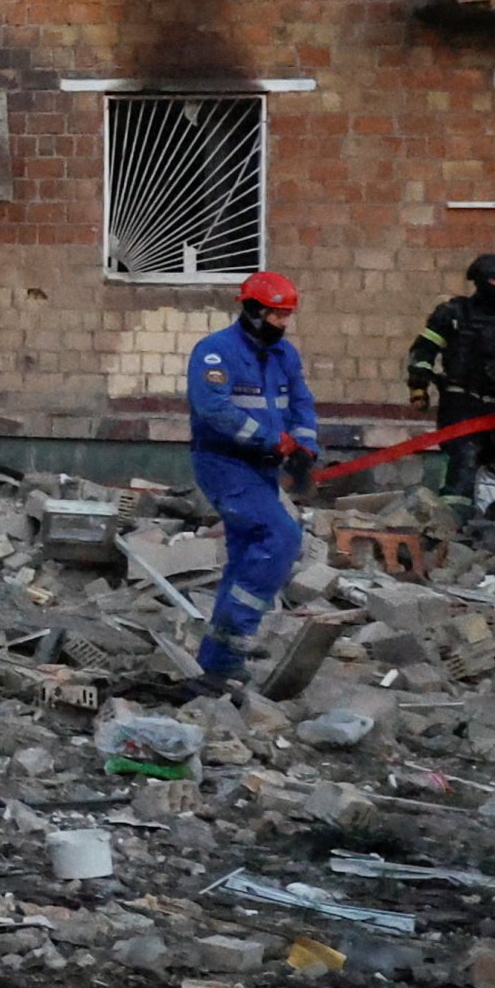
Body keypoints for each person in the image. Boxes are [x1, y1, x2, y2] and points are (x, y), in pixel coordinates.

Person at [184, 270, 319, 688]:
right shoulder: (214, 353)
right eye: (276, 315)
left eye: (287, 316)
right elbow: (214, 409)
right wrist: (271, 440)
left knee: (247, 554)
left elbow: (301, 403)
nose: (283, 323)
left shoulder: (285, 356)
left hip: (264, 468)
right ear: (252, 310)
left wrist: (305, 448)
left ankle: (218, 661)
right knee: (281, 537)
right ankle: (235, 636)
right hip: (224, 465)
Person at [406, 250, 495, 503]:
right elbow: (424, 351)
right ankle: (452, 521)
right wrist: (418, 387)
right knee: (464, 459)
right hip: (461, 402)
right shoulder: (454, 314)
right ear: (481, 281)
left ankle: (482, 525)